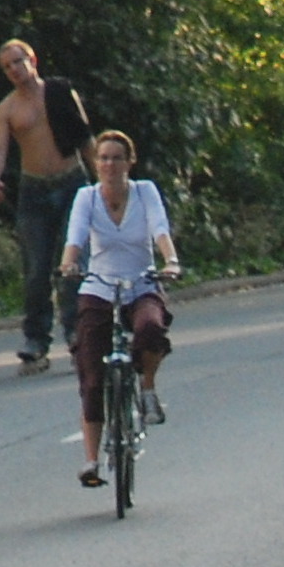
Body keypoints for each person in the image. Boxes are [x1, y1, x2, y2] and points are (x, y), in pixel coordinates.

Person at [59, 129, 181, 482]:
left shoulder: (145, 192)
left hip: (140, 283)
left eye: (116, 158)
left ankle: (147, 389)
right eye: (103, 158)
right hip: (99, 288)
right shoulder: (87, 197)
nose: (109, 165)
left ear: (130, 162)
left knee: (150, 329)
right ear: (95, 163)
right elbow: (75, 236)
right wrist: (69, 263)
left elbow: (159, 228)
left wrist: (170, 261)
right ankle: (91, 461)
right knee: (92, 376)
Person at [0, 40, 89, 376]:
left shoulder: (59, 93)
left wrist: (105, 185)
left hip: (73, 184)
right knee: (36, 270)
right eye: (7, 66)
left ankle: (78, 335)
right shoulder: (7, 109)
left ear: (32, 59)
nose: (14, 70)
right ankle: (36, 340)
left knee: (72, 266)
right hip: (34, 192)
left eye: (18, 62)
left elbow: (85, 137)